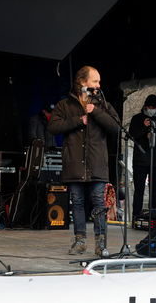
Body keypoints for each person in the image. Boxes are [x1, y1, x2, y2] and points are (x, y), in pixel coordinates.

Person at [48, 66, 119, 257]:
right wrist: (79, 120)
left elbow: (116, 127)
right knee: (77, 203)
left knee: (99, 203)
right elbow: (53, 127)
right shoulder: (65, 105)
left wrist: (95, 111)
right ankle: (79, 242)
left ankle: (100, 243)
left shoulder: (102, 104)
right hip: (74, 164)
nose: (98, 85)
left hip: (96, 164)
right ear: (82, 82)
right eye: (95, 81)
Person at [129, 94, 156, 219]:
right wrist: (144, 128)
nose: (151, 109)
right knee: (139, 189)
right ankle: (136, 215)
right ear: (145, 107)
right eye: (149, 107)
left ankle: (153, 215)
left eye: (153, 107)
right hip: (140, 160)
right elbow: (132, 134)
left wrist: (154, 135)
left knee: (154, 190)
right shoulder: (137, 118)